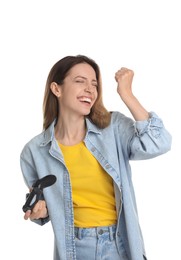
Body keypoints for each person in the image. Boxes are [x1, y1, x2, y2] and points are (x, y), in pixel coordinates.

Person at [20, 55, 172, 260]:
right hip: (74, 248)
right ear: (57, 89)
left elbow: (159, 143)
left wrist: (127, 94)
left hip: (120, 244)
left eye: (94, 84)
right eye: (80, 81)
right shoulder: (34, 151)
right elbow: (45, 208)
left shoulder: (113, 128)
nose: (90, 90)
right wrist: (40, 210)